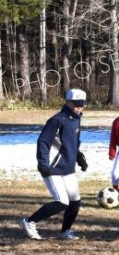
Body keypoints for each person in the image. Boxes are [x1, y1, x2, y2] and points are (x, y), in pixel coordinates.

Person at [20, 89, 89, 240]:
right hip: (52, 167)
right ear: (67, 102)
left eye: (82, 104)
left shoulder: (76, 118)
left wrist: (79, 157)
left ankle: (65, 231)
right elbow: (43, 142)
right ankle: (29, 222)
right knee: (62, 202)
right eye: (76, 104)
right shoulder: (57, 120)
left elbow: (73, 142)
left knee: (75, 201)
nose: (79, 107)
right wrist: (43, 164)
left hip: (67, 168)